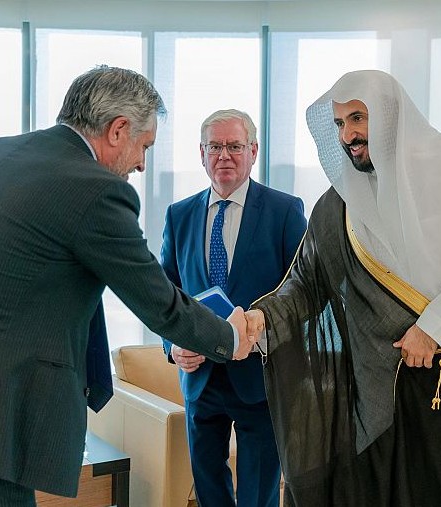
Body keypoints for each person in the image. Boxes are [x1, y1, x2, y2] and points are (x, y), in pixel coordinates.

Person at [0, 65, 256, 507]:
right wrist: (229, 336)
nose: (142, 164)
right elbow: (158, 302)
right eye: (144, 146)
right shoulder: (94, 189)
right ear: (118, 130)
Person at [245, 70, 441, 506]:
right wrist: (261, 319)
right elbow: (306, 284)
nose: (347, 136)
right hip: (379, 397)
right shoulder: (340, 204)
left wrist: (433, 327)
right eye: (339, 123)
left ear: (390, 114)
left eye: (357, 118)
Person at [161, 109, 306, 507]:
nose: (224, 155)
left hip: (260, 377)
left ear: (253, 151)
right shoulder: (179, 215)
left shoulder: (284, 211)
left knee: (258, 496)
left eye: (234, 146)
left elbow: (305, 290)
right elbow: (165, 295)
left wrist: (262, 333)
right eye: (215, 147)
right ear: (201, 153)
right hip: (200, 378)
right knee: (209, 490)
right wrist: (172, 346)